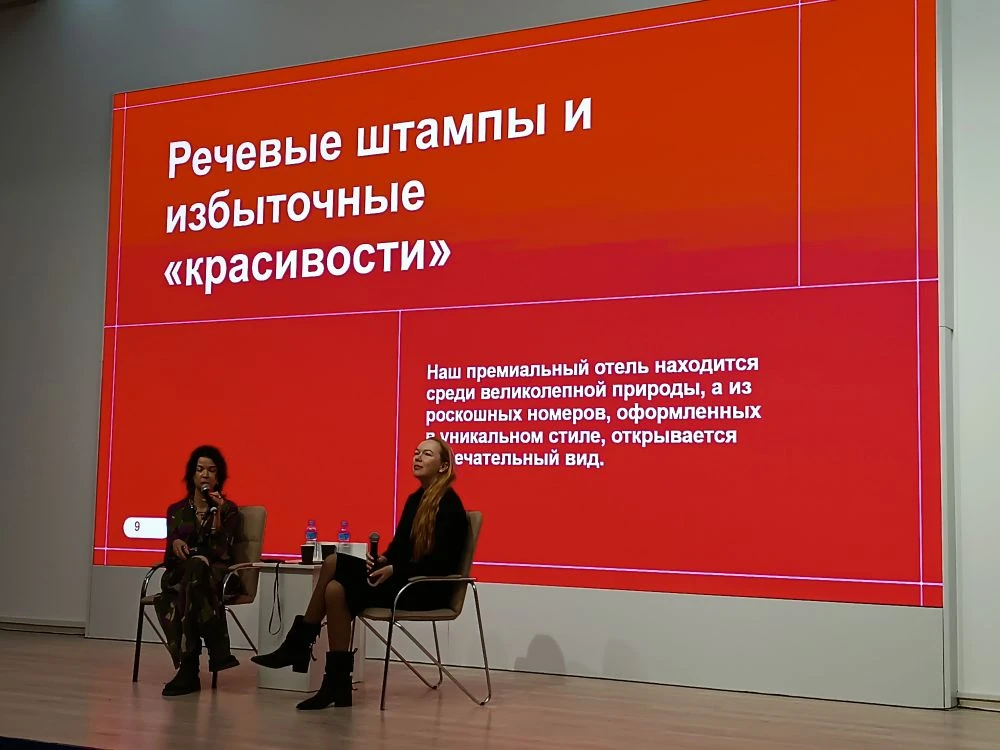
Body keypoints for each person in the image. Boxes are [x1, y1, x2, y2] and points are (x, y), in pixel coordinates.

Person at [252, 436, 469, 710]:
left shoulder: (450, 505)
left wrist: (395, 568)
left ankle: (299, 644)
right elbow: (400, 548)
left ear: (443, 466)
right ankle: (337, 685)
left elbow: (443, 563)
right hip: (404, 580)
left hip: (426, 589)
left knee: (333, 562)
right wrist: (383, 559)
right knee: (335, 590)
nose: (417, 457)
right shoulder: (416, 499)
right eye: (416, 452)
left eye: (427, 454)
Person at [153, 445, 242, 697]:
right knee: (191, 577)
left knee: (195, 575)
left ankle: (189, 668)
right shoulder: (176, 511)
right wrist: (176, 544)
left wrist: (218, 517)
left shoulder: (229, 510)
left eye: (211, 470)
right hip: (181, 576)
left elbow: (222, 550)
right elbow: (169, 556)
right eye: (200, 469)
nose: (205, 475)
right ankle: (218, 648)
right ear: (192, 475)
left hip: (215, 575)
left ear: (218, 478)